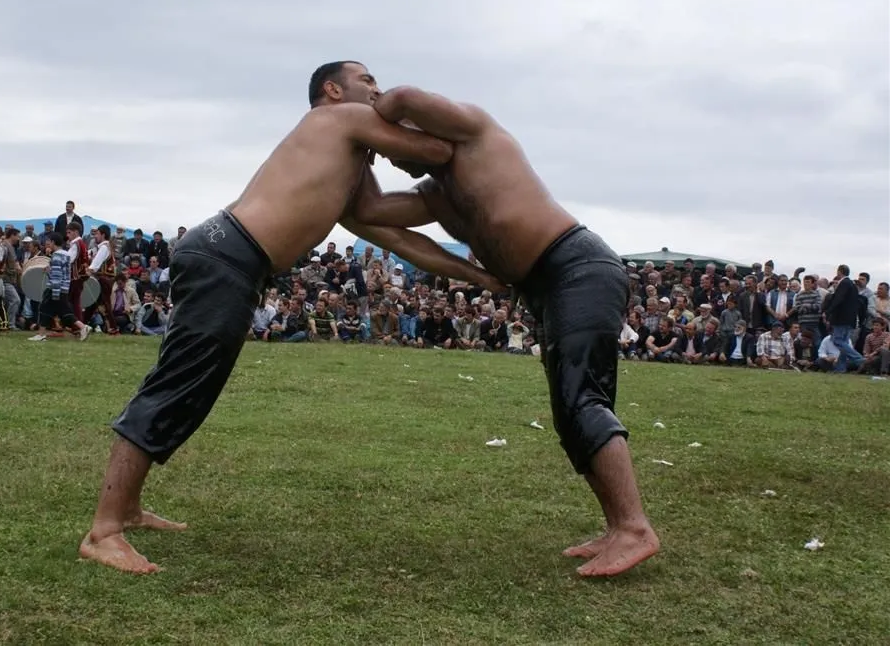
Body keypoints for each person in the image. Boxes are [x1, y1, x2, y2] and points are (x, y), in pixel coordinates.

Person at [79, 61, 505, 575]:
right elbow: (436, 152)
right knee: (178, 385)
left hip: (233, 261)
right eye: (367, 81)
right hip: (226, 254)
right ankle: (104, 531)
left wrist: (477, 275)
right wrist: (421, 119)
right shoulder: (336, 119)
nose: (377, 90)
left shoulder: (347, 174)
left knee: (188, 387)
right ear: (333, 90)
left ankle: (125, 508)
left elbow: (401, 239)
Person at [352, 85, 659, 577]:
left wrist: (366, 118)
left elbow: (403, 96)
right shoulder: (436, 195)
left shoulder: (475, 132)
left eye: (392, 141)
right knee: (569, 411)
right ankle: (617, 526)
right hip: (545, 286)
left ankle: (634, 528)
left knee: (582, 399)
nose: (390, 155)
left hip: (577, 267)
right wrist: (359, 148)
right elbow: (369, 210)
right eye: (382, 151)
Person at [28, 233, 92, 342]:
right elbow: (63, 273)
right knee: (63, 312)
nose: (47, 244)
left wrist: (55, 292)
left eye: (49, 242)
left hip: (55, 289)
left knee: (44, 309)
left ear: (53, 242)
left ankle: (41, 335)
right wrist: (50, 271)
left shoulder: (57, 256)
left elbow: (57, 276)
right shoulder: (66, 254)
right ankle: (83, 327)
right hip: (64, 288)